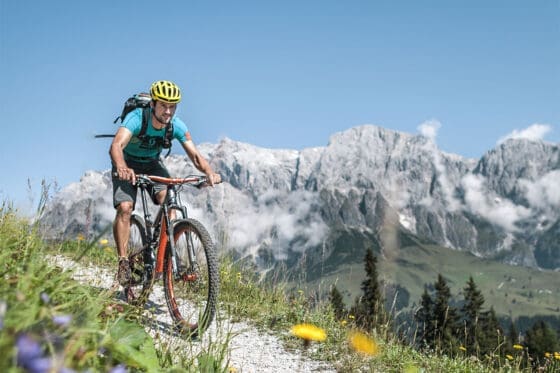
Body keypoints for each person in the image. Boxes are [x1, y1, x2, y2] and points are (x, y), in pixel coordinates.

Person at [109, 80, 221, 285]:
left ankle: (158, 251)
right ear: (153, 104)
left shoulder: (176, 125)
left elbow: (195, 156)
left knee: (170, 203)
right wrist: (122, 167)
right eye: (163, 105)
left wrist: (209, 172)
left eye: (172, 106)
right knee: (125, 208)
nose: (168, 111)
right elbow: (116, 145)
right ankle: (123, 262)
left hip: (152, 164)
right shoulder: (136, 118)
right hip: (127, 163)